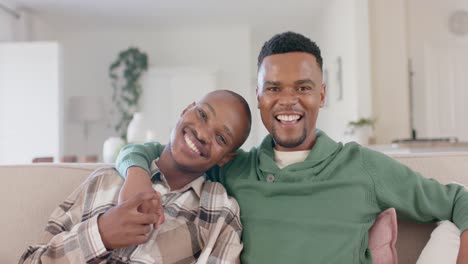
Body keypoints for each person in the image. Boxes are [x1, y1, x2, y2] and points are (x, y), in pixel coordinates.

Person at [115, 32, 468, 263]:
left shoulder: (362, 166)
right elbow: (160, 153)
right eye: (273, 88)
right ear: (259, 97)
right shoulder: (235, 167)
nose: (288, 101)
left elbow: (459, 200)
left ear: (322, 95)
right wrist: (135, 173)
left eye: (302, 88)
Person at [19, 90, 252, 264]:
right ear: (185, 110)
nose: (202, 133)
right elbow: (31, 260)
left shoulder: (220, 211)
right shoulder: (103, 181)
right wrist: (100, 235)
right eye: (202, 115)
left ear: (226, 158)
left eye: (221, 138)